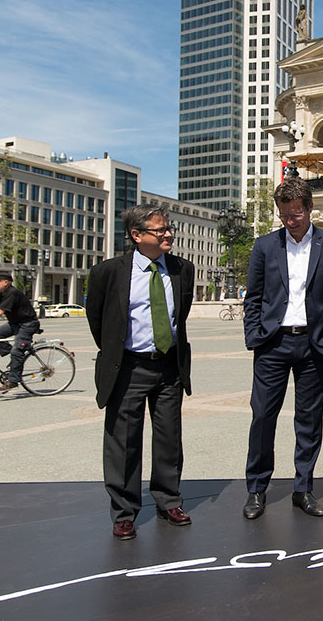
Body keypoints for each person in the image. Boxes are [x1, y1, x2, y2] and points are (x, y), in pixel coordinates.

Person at [86, 204, 196, 541]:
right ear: (137, 235)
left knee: (168, 438)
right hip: (128, 367)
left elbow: (182, 313)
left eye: (168, 229)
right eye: (160, 230)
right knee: (124, 443)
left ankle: (168, 500)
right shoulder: (109, 272)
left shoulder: (182, 269)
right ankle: (124, 513)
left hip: (168, 367)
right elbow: (98, 319)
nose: (168, 235)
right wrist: (117, 353)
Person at [241, 178, 323, 520]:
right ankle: (257, 489)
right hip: (273, 343)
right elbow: (253, 297)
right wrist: (254, 335)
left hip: (314, 345)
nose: (291, 221)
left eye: (297, 214)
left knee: (309, 419)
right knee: (262, 417)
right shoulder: (264, 246)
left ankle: (303, 488)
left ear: (309, 208)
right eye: (285, 215)